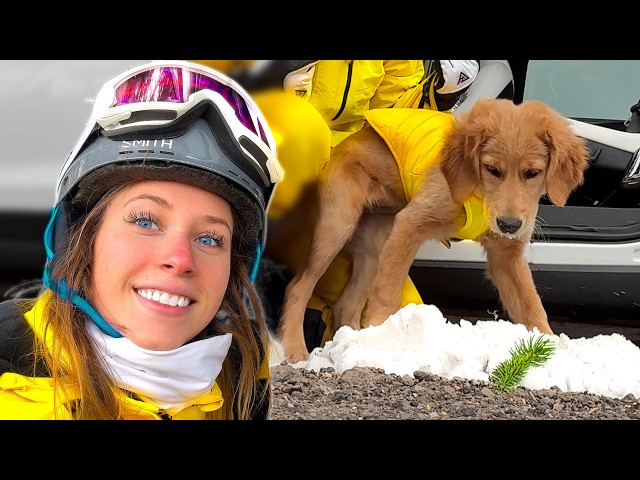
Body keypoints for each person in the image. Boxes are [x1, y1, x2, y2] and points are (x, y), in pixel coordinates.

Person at [0, 60, 283, 419]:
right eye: (146, 221)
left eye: (210, 239)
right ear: (78, 238)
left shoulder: (240, 377)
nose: (180, 259)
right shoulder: (8, 371)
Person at [195, 60, 479, 352]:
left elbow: (394, 124)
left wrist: (439, 94)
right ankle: (243, 291)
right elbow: (198, 80)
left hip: (347, 179)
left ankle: (311, 321)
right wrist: (269, 80)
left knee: (407, 328)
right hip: (278, 162)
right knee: (303, 127)